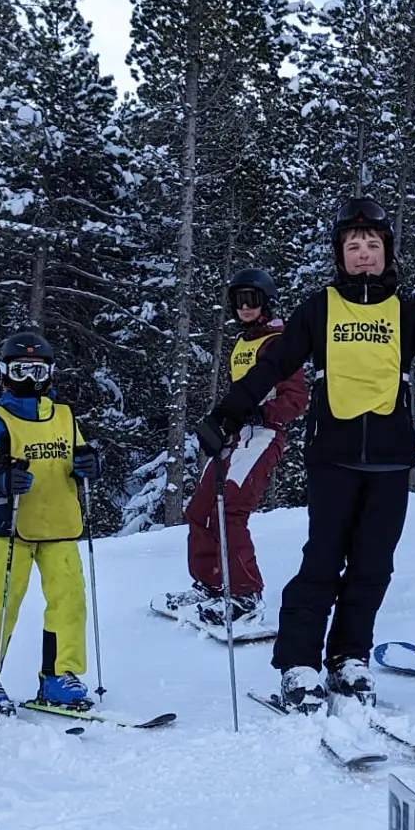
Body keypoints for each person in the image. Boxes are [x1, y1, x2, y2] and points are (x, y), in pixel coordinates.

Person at [198, 196, 415, 714]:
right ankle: (299, 664)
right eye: (353, 245)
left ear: (386, 251)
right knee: (322, 560)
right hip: (333, 456)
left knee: (372, 566)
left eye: (372, 245)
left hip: (391, 461)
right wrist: (227, 414)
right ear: (339, 254)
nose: (363, 254)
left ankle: (349, 658)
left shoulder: (408, 309)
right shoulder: (319, 308)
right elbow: (271, 366)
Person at [152, 268, 307, 636]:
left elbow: (297, 399)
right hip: (237, 436)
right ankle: (211, 585)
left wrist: (262, 412)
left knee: (231, 509)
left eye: (253, 300)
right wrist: (220, 424)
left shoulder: (280, 342)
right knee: (201, 508)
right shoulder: (243, 344)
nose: (245, 307)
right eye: (239, 300)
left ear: (266, 302)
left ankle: (246, 595)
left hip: (264, 434)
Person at [0, 331, 100, 713]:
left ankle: (58, 676)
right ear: (5, 373)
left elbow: (81, 455)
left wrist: (90, 465)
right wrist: (1, 480)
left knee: (69, 601)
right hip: (12, 527)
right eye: (21, 370)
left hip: (60, 525)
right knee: (2, 602)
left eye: (38, 370)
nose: (31, 380)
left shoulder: (65, 416)